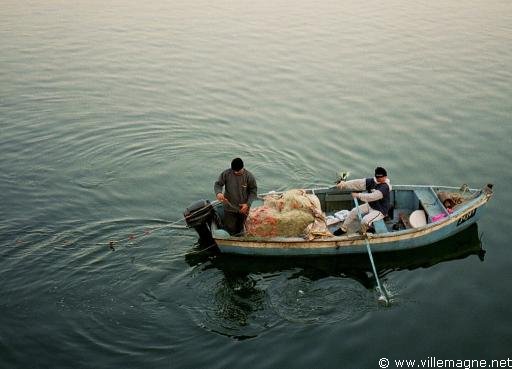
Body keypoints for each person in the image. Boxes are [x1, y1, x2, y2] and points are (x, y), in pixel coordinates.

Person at [333, 167, 391, 235]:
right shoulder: (372, 181)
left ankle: (364, 231)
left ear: (385, 177)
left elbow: (372, 197)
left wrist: (358, 195)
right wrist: (345, 184)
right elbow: (358, 183)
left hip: (379, 210)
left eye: (381, 177)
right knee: (353, 211)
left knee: (364, 221)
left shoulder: (385, 187)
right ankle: (343, 229)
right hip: (371, 205)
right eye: (377, 177)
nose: (379, 179)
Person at [214, 158, 258, 235]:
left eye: (238, 171)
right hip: (229, 208)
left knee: (242, 229)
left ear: (243, 168)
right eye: (234, 171)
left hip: (243, 209)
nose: (236, 172)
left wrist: (248, 204)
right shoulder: (226, 174)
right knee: (230, 229)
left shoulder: (249, 176)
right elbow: (218, 184)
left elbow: (253, 191)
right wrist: (218, 193)